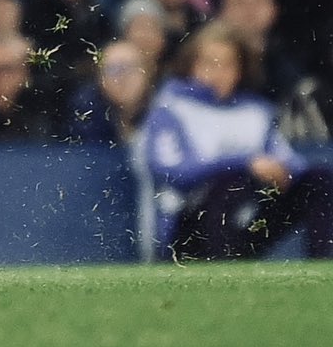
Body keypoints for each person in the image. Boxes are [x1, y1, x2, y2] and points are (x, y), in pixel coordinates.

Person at [138, 22, 333, 262]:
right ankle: (220, 267)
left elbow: (288, 162)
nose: (216, 73)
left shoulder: (256, 111)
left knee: (318, 181)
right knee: (229, 180)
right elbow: (172, 173)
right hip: (188, 228)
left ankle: (324, 265)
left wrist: (283, 172)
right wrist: (244, 162)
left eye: (226, 64)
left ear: (239, 70)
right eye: (209, 63)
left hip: (246, 217)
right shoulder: (171, 107)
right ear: (191, 65)